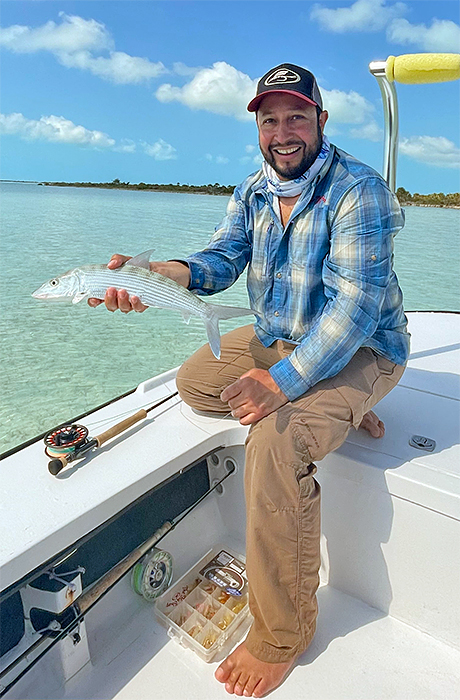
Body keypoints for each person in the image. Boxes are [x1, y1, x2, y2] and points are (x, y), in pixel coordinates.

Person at [89, 63, 410, 698]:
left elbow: (353, 311)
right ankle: (339, 410)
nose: (283, 132)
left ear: (321, 120)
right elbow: (219, 262)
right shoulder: (252, 191)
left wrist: (284, 384)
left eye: (297, 117)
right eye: (270, 119)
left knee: (272, 443)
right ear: (258, 128)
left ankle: (281, 635)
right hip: (278, 332)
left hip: (362, 347)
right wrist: (159, 275)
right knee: (196, 384)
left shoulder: (359, 190)